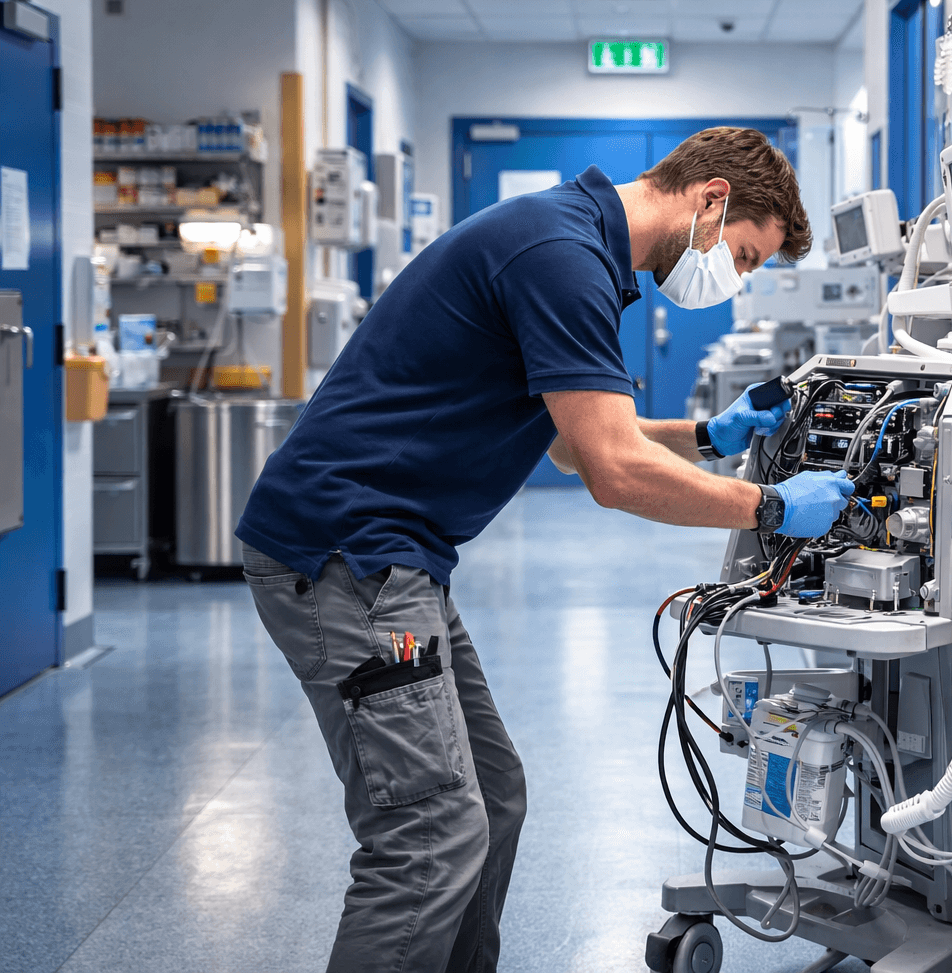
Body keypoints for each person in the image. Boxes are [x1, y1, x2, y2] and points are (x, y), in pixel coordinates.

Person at [235, 127, 856, 973]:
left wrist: (708, 434)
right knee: (427, 836)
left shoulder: (579, 246)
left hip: (394, 559)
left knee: (491, 801)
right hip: (349, 558)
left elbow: (571, 442)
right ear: (710, 198)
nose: (734, 279)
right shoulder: (563, 255)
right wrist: (773, 505)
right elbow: (610, 470)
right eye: (743, 256)